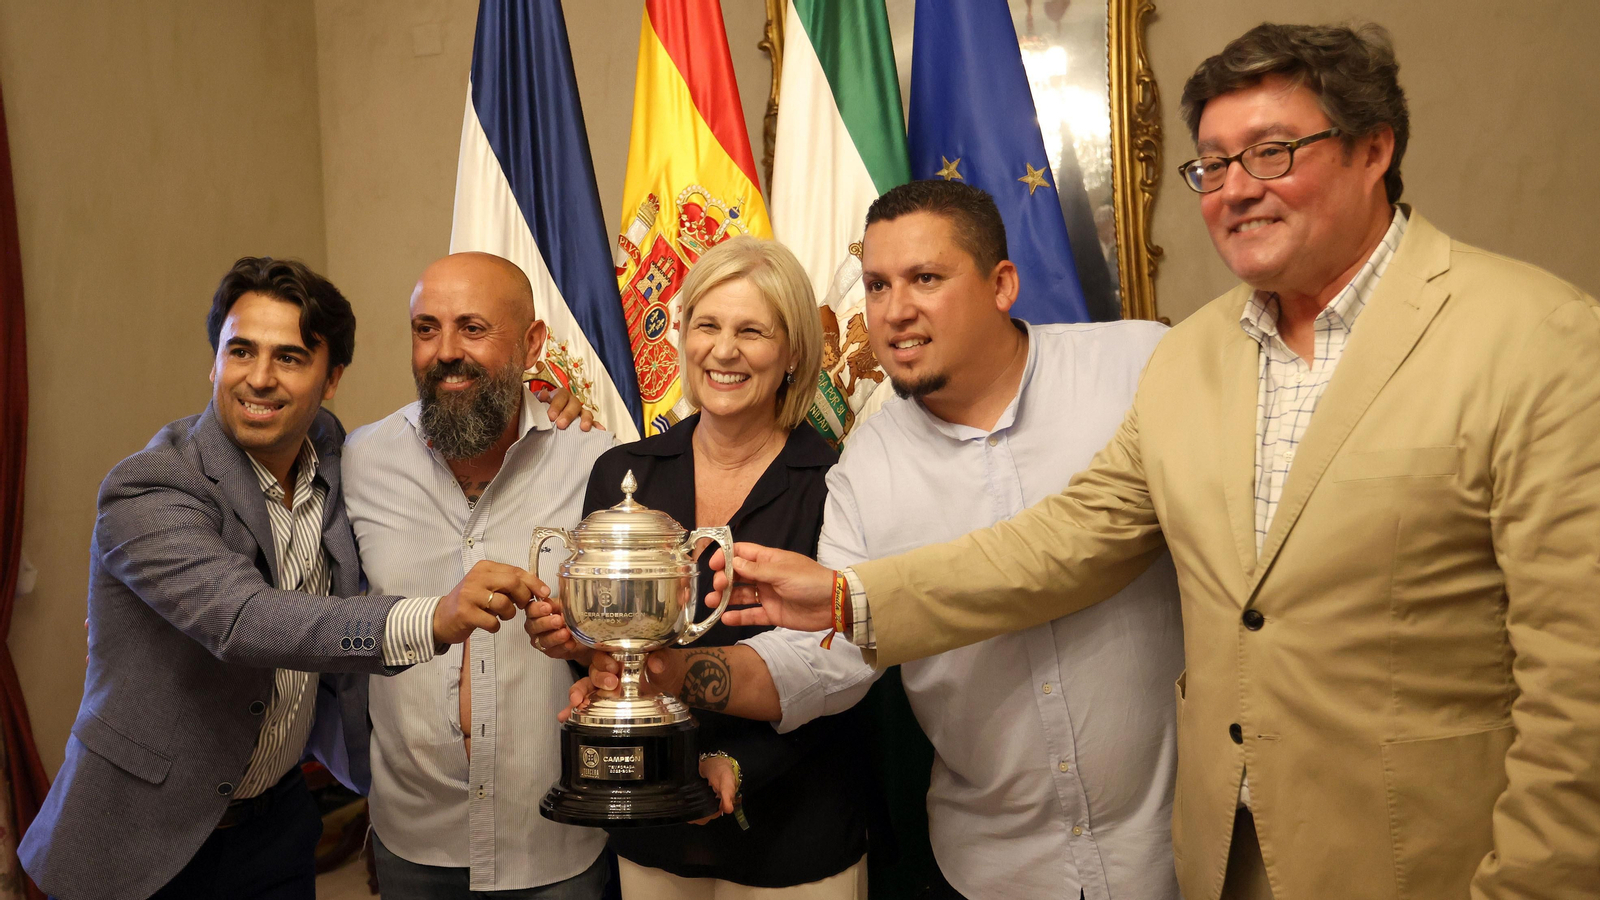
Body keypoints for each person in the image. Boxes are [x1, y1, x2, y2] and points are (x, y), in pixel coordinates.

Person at [710, 23, 1600, 900]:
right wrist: (845, 599)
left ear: (1374, 149)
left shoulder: (1532, 336)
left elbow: (1580, 686)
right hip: (1220, 858)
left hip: (1428, 862)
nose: (1234, 190)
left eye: (1272, 152)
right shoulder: (1192, 356)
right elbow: (1059, 546)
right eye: (1212, 165)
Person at [550, 181, 1183, 900]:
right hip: (989, 864)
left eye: (926, 279)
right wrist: (656, 673)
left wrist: (849, 602)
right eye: (877, 285)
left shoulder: (1138, 367)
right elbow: (825, 664)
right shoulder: (869, 465)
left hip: (1179, 842)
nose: (895, 309)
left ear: (1002, 283)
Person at [20, 257, 538, 900]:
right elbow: (243, 620)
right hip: (144, 836)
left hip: (279, 822)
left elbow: (456, 421)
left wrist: (539, 403)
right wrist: (431, 617)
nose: (259, 380)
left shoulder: (335, 455)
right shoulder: (151, 485)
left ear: (332, 377)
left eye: (290, 358)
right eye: (240, 351)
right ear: (214, 361)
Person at [531, 236, 873, 899]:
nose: (724, 350)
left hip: (794, 834)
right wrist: (577, 645)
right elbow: (612, 647)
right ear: (681, 334)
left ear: (794, 351)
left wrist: (737, 763)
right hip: (652, 822)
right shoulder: (622, 472)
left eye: (752, 331)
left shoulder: (836, 485)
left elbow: (843, 668)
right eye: (707, 325)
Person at [341, 252, 613, 899]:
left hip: (553, 836)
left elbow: (631, 643)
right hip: (413, 835)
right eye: (426, 328)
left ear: (533, 343)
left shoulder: (594, 461)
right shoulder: (360, 459)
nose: (445, 351)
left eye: (472, 328)